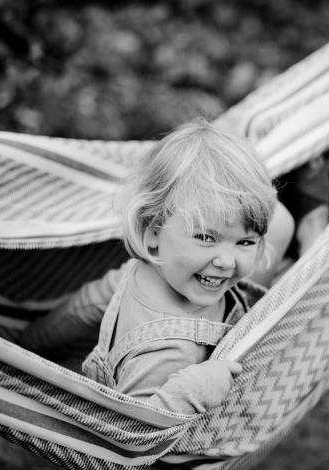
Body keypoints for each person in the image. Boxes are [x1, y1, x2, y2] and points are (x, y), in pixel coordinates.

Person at [21, 119, 294, 415]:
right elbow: (131, 432)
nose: (227, 261)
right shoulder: (165, 354)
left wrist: (31, 341)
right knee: (285, 225)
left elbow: (87, 304)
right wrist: (195, 390)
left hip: (227, 310)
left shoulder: (148, 270)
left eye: (245, 242)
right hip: (204, 428)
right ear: (152, 232)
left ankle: (307, 232)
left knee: (281, 222)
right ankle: (313, 224)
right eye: (205, 237)